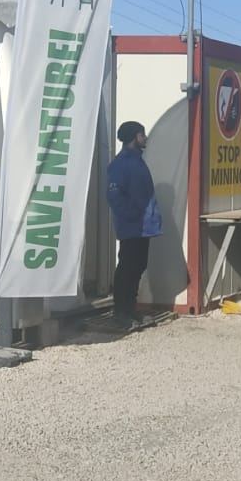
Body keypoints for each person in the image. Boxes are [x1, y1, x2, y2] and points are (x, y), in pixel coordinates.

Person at [106, 120, 163, 329]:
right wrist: (132, 216)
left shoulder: (137, 161)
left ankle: (130, 309)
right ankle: (121, 311)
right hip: (133, 226)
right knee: (127, 267)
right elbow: (114, 195)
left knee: (138, 265)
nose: (145, 138)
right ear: (134, 138)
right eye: (142, 134)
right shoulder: (121, 164)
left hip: (143, 226)